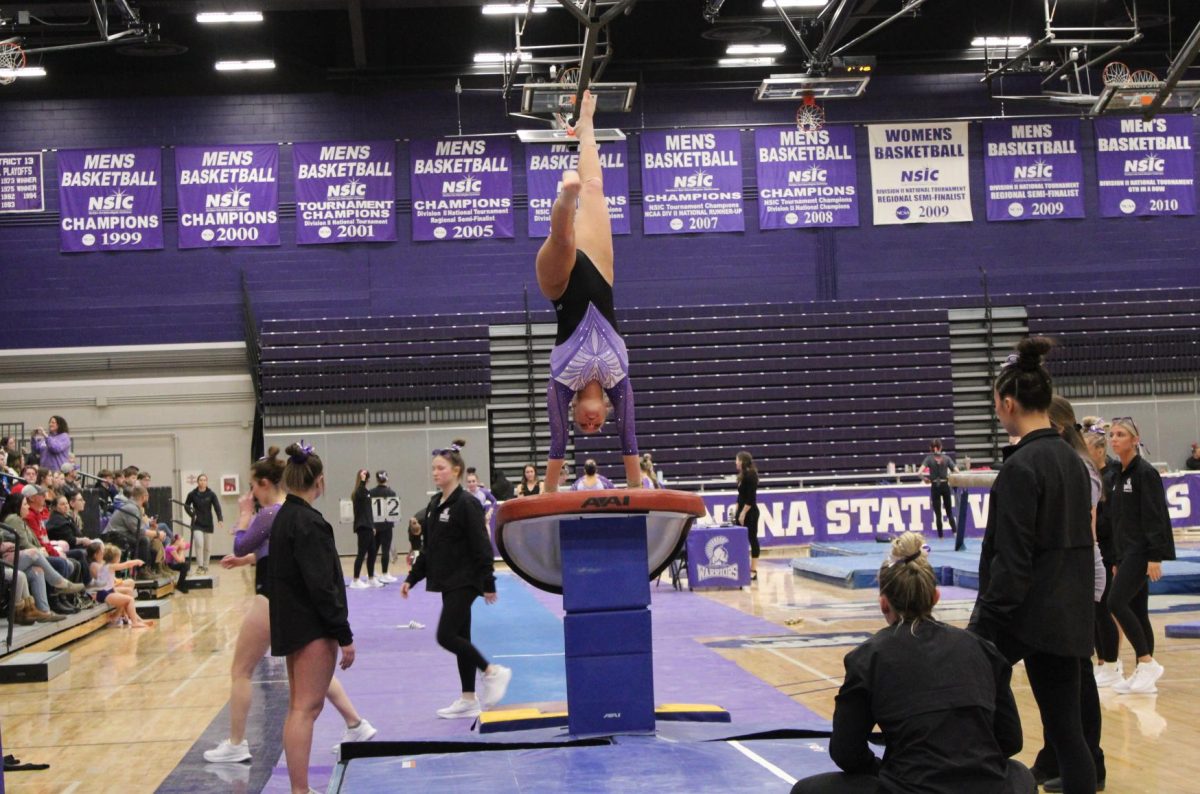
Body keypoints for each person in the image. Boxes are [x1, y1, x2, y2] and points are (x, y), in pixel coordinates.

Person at [791, 533, 1034, 794]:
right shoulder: (983, 649)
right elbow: (1010, 741)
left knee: (806, 790)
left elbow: (845, 752)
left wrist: (881, 769)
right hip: (985, 788)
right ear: (935, 597)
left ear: (884, 603)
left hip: (910, 787)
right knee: (1020, 773)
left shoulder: (868, 658)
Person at [968, 337, 1096, 794]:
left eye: (996, 406)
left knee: (971, 709)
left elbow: (1013, 557)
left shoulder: (1022, 467)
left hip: (1025, 614)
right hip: (1068, 611)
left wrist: (983, 626)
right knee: (1067, 732)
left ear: (1007, 404)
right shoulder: (1074, 460)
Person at [206, 447, 375, 766]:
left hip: (278, 600)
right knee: (308, 690)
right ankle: (354, 723)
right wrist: (250, 559)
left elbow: (245, 542)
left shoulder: (275, 515)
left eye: (253, 485)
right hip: (291, 602)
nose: (250, 492)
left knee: (259, 679)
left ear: (267, 483)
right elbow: (286, 559)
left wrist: (244, 517)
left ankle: (238, 742)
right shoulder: (295, 516)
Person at [536, 90, 640, 493]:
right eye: (596, 424)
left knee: (561, 241)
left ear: (575, 407)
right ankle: (586, 127)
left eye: (583, 422)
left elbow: (557, 445)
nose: (589, 424)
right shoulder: (619, 379)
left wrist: (547, 495)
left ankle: (566, 196)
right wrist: (635, 488)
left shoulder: (563, 382)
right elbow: (630, 440)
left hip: (559, 285)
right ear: (607, 408)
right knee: (595, 189)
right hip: (601, 269)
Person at [268, 442, 357, 794]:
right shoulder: (309, 522)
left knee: (300, 708)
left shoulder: (284, 517)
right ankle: (300, 790)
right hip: (311, 626)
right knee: (305, 709)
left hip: (293, 621)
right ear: (319, 481)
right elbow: (322, 586)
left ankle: (299, 788)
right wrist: (343, 633)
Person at [1031, 396, 1108, 792]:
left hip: (1082, 572)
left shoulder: (1078, 467)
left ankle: (1090, 761)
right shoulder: (1073, 462)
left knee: (1077, 676)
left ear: (1057, 427)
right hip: (1077, 571)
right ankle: (1056, 756)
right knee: (1066, 678)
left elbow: (1085, 531)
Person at [401, 443, 511, 720]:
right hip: (447, 579)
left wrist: (488, 581)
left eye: (441, 468)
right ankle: (468, 698)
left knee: (446, 635)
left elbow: (481, 546)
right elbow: (430, 548)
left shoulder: (467, 504)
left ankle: (492, 671)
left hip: (466, 579)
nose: (435, 473)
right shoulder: (435, 505)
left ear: (456, 471)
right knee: (461, 636)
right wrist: (412, 578)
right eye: (433, 468)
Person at [1107, 416, 1175, 695]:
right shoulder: (1116, 475)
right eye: (1112, 434)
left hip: (1141, 550)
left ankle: (1147, 662)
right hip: (1125, 551)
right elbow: (1117, 520)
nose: (1114, 439)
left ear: (1135, 440)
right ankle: (1142, 670)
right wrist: (1115, 558)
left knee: (1115, 602)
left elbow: (1155, 515)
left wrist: (1155, 556)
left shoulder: (1145, 473)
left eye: (1121, 434)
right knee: (1137, 609)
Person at [1083, 424, 1123, 689]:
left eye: (1087, 451)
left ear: (1100, 449)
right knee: (1095, 609)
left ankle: (1113, 662)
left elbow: (1117, 520)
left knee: (1106, 608)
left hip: (1111, 550)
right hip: (1098, 548)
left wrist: (1119, 559)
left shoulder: (1112, 476)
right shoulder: (1092, 475)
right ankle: (1102, 662)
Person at [86, 541, 152, 629]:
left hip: (108, 591)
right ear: (114, 558)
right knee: (130, 600)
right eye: (119, 557)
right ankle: (134, 622)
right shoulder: (109, 566)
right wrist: (136, 561)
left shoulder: (107, 566)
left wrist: (116, 591)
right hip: (104, 594)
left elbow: (110, 585)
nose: (120, 559)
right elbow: (126, 565)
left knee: (127, 598)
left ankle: (138, 620)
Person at [185, 474, 223, 574]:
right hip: (197, 524)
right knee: (199, 542)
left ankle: (206, 566)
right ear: (198, 482)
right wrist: (192, 514)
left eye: (204, 480)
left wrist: (220, 519)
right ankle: (200, 566)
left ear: (207, 482)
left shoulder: (211, 494)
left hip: (208, 523)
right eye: (200, 480)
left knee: (207, 547)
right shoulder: (192, 494)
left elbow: (217, 507)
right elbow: (186, 506)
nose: (202, 482)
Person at [920, 439, 958, 540]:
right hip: (945, 485)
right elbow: (957, 471)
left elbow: (919, 472)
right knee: (949, 512)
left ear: (930, 449)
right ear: (941, 447)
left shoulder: (929, 459)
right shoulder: (946, 458)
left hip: (935, 486)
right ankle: (955, 532)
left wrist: (925, 479)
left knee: (938, 514)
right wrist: (951, 479)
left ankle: (941, 536)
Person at [349, 469, 379, 589]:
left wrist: (372, 526)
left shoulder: (367, 492)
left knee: (372, 552)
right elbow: (360, 493)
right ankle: (355, 579)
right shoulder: (359, 492)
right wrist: (361, 481)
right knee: (361, 553)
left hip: (368, 526)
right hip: (362, 526)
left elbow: (368, 511)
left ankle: (371, 578)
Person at [369, 470, 399, 584]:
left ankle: (371, 573)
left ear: (377, 479)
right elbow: (395, 510)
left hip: (375, 526)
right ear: (387, 479)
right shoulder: (391, 493)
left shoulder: (371, 492)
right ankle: (385, 573)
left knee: (373, 550)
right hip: (387, 525)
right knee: (385, 550)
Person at [735, 450, 760, 581]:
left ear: (743, 461)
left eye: (737, 460)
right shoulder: (742, 475)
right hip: (741, 511)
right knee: (739, 539)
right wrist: (737, 510)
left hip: (750, 512)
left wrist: (743, 513)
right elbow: (740, 496)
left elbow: (751, 498)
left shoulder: (752, 475)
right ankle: (741, 566)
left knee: (752, 538)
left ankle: (753, 569)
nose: (736, 462)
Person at [465, 468, 498, 532]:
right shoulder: (464, 494)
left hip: (483, 522)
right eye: (469, 482)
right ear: (466, 483)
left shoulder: (483, 491)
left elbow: (494, 501)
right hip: (469, 523)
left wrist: (489, 512)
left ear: (477, 482)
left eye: (473, 481)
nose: (471, 483)